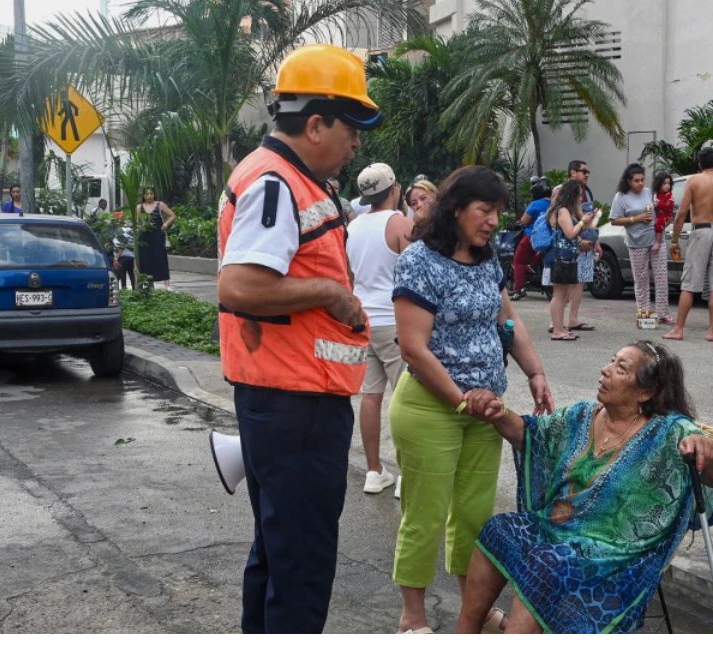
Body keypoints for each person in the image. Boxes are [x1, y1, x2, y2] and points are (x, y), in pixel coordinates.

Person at [215, 43, 380, 633]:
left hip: (287, 398)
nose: (357, 143)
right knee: (302, 565)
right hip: (296, 403)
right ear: (315, 124)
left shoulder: (287, 178)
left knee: (278, 554)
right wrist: (331, 296)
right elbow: (239, 286)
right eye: (352, 128)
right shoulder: (275, 182)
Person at [456, 341, 713, 634]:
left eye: (620, 368)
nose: (605, 370)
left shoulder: (669, 431)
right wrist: (498, 412)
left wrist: (709, 449)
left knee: (546, 565)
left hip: (615, 550)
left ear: (646, 392)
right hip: (556, 528)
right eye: (611, 360)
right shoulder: (582, 416)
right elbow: (531, 434)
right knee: (498, 530)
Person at [389, 165, 553, 634]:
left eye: (498, 213)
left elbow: (507, 319)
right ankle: (412, 617)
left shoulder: (486, 258)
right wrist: (463, 400)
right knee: (425, 513)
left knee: (475, 517)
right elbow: (413, 348)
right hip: (430, 407)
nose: (492, 222)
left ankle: (472, 611)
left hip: (486, 411)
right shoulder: (420, 259)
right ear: (456, 208)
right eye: (485, 210)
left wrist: (535, 372)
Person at [346, 162, 411, 496]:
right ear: (394, 188)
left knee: (370, 397)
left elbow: (349, 276)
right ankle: (407, 474)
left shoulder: (353, 227)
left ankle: (374, 471)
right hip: (394, 321)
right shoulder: (399, 223)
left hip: (363, 321)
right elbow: (416, 273)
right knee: (407, 400)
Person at [663, 147, 713, 342]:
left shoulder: (693, 181)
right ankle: (711, 331)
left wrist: (674, 240)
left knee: (690, 283)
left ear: (699, 164)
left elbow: (681, 214)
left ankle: (679, 329)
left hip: (700, 230)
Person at [611, 164, 670, 322]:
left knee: (661, 277)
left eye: (642, 180)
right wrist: (636, 219)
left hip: (657, 239)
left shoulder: (649, 193)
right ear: (629, 181)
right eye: (636, 180)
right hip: (636, 242)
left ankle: (663, 313)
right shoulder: (621, 197)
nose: (640, 183)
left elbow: (657, 212)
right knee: (641, 279)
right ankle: (644, 312)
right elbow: (614, 220)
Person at [552, 161, 598, 332]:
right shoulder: (561, 205)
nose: (586, 174)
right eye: (583, 171)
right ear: (572, 172)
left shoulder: (577, 202)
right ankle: (557, 326)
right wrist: (582, 223)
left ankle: (569, 322)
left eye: (588, 171)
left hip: (575, 250)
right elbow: (568, 231)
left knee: (576, 284)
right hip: (563, 254)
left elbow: (578, 228)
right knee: (560, 293)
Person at [510, 178, 550, 300]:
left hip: (532, 237)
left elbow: (523, 221)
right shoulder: (554, 204)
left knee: (518, 261)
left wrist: (517, 223)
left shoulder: (535, 205)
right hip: (549, 238)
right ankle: (532, 265)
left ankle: (519, 290)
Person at [135, 187, 177, 289]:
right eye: (147, 194)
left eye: (151, 194)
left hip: (157, 236)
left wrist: (166, 224)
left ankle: (167, 285)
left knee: (160, 257)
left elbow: (172, 215)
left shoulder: (159, 205)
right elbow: (137, 222)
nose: (149, 196)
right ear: (143, 196)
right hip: (144, 237)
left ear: (154, 195)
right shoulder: (139, 207)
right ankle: (149, 284)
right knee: (145, 260)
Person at [112, 211, 136, 290]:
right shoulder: (129, 228)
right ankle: (135, 291)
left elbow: (122, 245)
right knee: (131, 275)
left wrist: (116, 258)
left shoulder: (120, 230)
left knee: (121, 276)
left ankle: (124, 292)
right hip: (131, 256)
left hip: (123, 256)